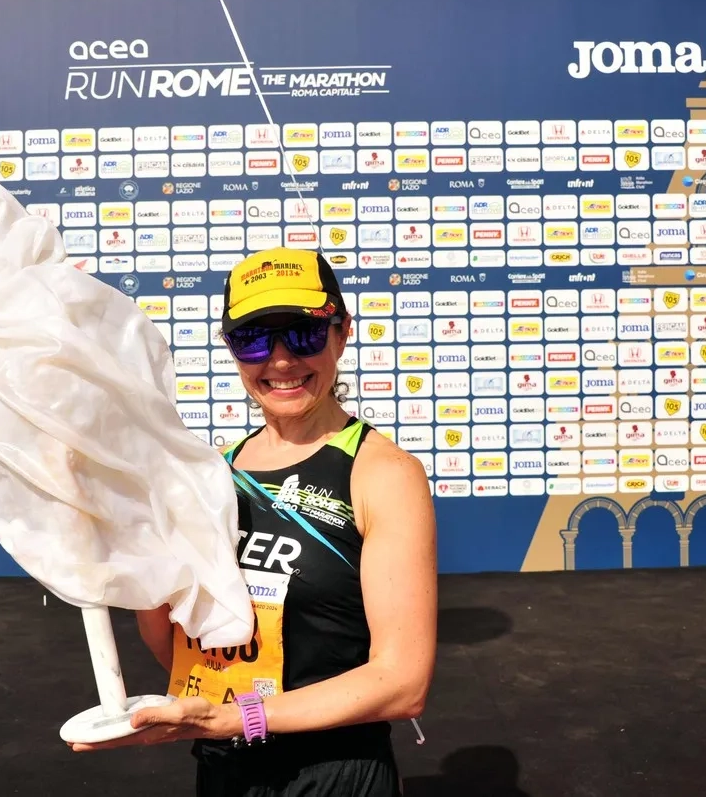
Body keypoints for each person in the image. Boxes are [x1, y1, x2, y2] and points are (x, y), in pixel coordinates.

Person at [71, 248, 437, 797]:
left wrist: (238, 718)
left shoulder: (382, 474)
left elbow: (402, 682)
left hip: (334, 772)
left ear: (342, 333)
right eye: (254, 340)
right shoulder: (214, 475)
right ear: (231, 349)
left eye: (303, 334)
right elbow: (180, 647)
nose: (281, 360)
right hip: (227, 771)